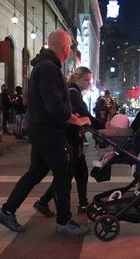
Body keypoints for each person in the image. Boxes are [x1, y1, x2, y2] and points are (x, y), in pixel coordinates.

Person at [0, 29, 91, 235]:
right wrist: (75, 119)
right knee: (64, 173)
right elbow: (54, 104)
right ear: (64, 49)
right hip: (49, 131)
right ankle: (64, 221)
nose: (68, 54)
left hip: (40, 129)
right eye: (68, 49)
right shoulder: (49, 69)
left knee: (36, 171)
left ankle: (7, 210)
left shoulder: (44, 66)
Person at [35, 66, 105, 215]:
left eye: (89, 80)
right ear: (77, 78)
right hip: (70, 139)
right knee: (67, 175)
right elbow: (85, 115)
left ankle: (82, 203)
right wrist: (104, 126)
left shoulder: (73, 92)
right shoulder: (73, 94)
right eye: (86, 79)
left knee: (78, 172)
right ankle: (46, 202)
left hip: (73, 138)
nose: (88, 83)